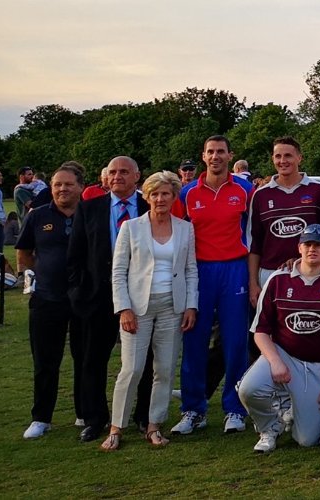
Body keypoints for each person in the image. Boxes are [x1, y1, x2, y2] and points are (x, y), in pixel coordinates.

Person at [104, 171, 198, 450]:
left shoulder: (185, 228)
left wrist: (191, 304)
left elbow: (190, 270)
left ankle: (155, 425)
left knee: (166, 370)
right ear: (146, 196)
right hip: (137, 308)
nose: (160, 199)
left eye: (165, 193)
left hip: (173, 306)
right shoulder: (130, 228)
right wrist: (124, 309)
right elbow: (118, 272)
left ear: (173, 197)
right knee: (131, 369)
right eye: (154, 194)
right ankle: (116, 427)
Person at [240, 223, 320, 453]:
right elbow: (260, 331)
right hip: (285, 354)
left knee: (307, 440)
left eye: (319, 245)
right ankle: (270, 427)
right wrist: (275, 361)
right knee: (249, 389)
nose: (313, 249)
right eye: (308, 244)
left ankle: (290, 403)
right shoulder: (278, 279)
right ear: (299, 247)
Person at [69, 156, 154, 442]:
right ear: (105, 177)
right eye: (113, 172)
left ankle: (143, 415)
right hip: (97, 297)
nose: (117, 176)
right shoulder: (89, 208)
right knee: (94, 359)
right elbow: (76, 255)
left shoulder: (150, 207)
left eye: (124, 172)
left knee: (143, 360)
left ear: (137, 176)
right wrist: (79, 292)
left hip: (142, 296)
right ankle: (95, 419)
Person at [175, 135, 257, 436]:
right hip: (199, 272)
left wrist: (251, 278)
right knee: (194, 340)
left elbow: (253, 236)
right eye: (210, 152)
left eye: (221, 152)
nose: (215, 157)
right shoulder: (186, 194)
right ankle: (193, 409)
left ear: (229, 155)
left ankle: (234, 409)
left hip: (234, 269)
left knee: (235, 342)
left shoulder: (246, 190)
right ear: (203, 156)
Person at [18, 163, 84, 440]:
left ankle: (86, 412)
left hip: (84, 298)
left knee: (84, 359)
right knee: (45, 361)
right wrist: (35, 277)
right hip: (46, 298)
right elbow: (24, 252)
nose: (62, 189)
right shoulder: (38, 215)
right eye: (57, 184)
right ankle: (42, 418)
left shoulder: (91, 213)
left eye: (68, 184)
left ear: (80, 186)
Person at [247, 136, 320, 302]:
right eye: (278, 156)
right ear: (273, 159)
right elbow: (254, 244)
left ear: (299, 158)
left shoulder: (318, 190)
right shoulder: (261, 195)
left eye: (288, 155)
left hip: (312, 271)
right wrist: (253, 283)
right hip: (270, 272)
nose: (283, 161)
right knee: (269, 327)